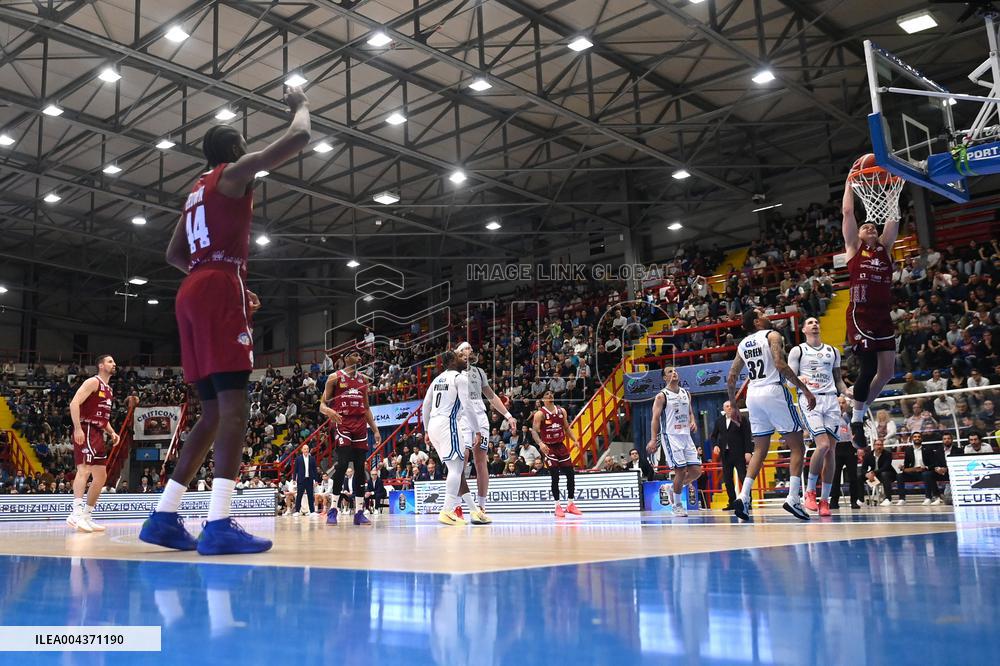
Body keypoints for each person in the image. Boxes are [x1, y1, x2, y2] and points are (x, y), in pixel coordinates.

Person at [140, 84, 311, 556]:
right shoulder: (232, 175)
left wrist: (211, 275)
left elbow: (174, 254)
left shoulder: (195, 192)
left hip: (192, 290)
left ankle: (164, 515)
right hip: (216, 288)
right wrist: (300, 104)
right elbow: (299, 138)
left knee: (212, 413)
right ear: (235, 151)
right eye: (244, 147)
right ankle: (218, 523)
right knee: (235, 409)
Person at [727, 308, 816, 522]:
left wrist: (734, 406)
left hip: (753, 395)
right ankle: (793, 498)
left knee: (760, 449)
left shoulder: (743, 344)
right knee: (798, 446)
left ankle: (743, 496)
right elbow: (779, 364)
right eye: (762, 314)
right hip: (773, 390)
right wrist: (804, 389)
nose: (767, 316)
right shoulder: (772, 335)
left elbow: (731, 377)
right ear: (757, 322)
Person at [841, 165, 901, 449]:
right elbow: (848, 213)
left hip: (882, 315)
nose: (870, 227)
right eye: (865, 227)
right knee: (868, 369)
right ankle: (856, 420)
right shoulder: (855, 248)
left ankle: (858, 407)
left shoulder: (884, 249)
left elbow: (893, 217)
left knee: (887, 372)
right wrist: (848, 183)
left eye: (872, 226)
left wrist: (891, 186)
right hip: (861, 314)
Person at [787, 317, 847, 517]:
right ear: (804, 329)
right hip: (810, 399)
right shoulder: (798, 351)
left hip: (831, 400)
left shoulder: (833, 351)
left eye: (816, 322)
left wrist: (848, 392)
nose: (814, 324)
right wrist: (799, 380)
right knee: (823, 445)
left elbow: (839, 381)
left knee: (831, 451)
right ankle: (810, 492)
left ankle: (825, 500)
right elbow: (789, 382)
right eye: (810, 323)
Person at [421, 350, 485, 525]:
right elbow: (468, 406)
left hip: (433, 424)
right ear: (451, 362)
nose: (464, 359)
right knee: (456, 469)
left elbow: (426, 405)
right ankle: (447, 511)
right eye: (459, 357)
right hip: (448, 423)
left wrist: (426, 430)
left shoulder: (437, 379)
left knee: (455, 470)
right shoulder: (459, 378)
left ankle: (474, 511)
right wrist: (477, 430)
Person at [455, 342, 517, 521]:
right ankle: (458, 505)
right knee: (462, 458)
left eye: (471, 348)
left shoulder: (479, 372)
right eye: (466, 348)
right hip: (462, 416)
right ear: (458, 354)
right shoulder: (452, 372)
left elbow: (491, 396)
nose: (470, 350)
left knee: (481, 461)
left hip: (480, 416)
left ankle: (481, 506)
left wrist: (508, 416)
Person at [321, 348, 381, 526]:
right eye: (355, 354)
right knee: (342, 465)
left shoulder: (363, 380)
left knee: (361, 468)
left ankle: (359, 512)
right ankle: (333, 509)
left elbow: (367, 408)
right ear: (346, 358)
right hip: (343, 423)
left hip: (360, 425)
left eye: (360, 355)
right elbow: (322, 405)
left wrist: (375, 430)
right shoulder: (334, 378)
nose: (359, 357)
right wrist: (329, 411)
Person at [67, 354, 119, 533]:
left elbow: (103, 418)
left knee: (101, 476)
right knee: (84, 470)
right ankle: (75, 513)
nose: (114, 364)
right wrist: (77, 428)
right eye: (110, 361)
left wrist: (112, 432)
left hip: (98, 432)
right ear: (101, 365)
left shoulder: (109, 389)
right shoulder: (92, 382)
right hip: (86, 428)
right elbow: (74, 403)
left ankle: (87, 516)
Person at [646, 367, 701, 517]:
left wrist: (693, 421)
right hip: (671, 436)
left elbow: (690, 412)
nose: (674, 373)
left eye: (675, 371)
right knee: (680, 471)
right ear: (664, 378)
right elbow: (655, 419)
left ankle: (672, 488)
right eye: (670, 372)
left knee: (696, 471)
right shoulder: (661, 396)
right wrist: (653, 439)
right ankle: (677, 505)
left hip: (686, 436)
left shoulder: (686, 393)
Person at [531, 389, 583, 518]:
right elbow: (534, 431)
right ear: (543, 399)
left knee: (570, 474)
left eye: (551, 393)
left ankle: (570, 504)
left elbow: (566, 428)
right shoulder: (540, 414)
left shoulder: (561, 411)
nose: (550, 395)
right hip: (549, 447)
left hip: (561, 445)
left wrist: (575, 440)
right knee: (555, 476)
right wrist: (540, 444)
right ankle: (557, 506)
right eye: (547, 394)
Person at [710, 401, 752, 510]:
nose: (729, 408)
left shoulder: (742, 419)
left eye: (731, 406)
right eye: (727, 406)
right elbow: (713, 436)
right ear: (724, 409)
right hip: (726, 454)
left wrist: (748, 452)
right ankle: (732, 502)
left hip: (739, 453)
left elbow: (747, 436)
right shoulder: (719, 421)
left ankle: (748, 501)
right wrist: (715, 445)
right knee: (727, 480)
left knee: (743, 477)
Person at [898, 432, 946, 505]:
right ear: (912, 439)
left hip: (925, 472)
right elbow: (906, 465)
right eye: (915, 437)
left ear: (921, 439)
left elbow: (934, 463)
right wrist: (902, 467)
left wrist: (925, 467)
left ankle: (928, 498)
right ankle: (902, 499)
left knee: (926, 474)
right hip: (913, 472)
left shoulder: (928, 449)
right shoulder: (908, 450)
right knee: (899, 476)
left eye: (919, 437)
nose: (917, 438)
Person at [862, 438, 897, 506]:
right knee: (860, 477)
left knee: (884, 474)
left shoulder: (888, 454)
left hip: (889, 474)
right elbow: (863, 468)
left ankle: (888, 499)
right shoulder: (868, 455)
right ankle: (860, 500)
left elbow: (886, 467)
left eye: (881, 445)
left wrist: (873, 473)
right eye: (877, 445)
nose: (879, 446)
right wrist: (866, 474)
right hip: (875, 475)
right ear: (874, 446)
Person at [293, 443, 319, 517]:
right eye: (304, 449)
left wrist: (316, 480)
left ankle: (312, 511)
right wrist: (294, 479)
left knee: (310, 496)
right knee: (299, 496)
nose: (306, 450)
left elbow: (314, 470)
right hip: (301, 480)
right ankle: (297, 511)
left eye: (307, 449)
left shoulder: (312, 458)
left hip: (309, 479)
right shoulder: (298, 459)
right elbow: (295, 470)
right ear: (302, 450)